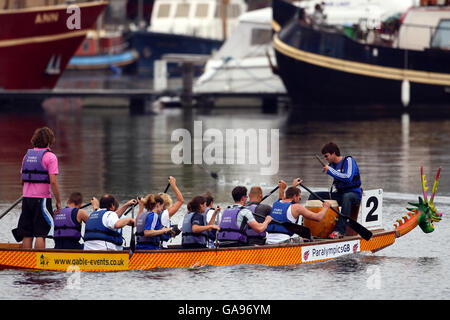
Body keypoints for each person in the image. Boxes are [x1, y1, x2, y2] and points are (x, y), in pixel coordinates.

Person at [17, 126, 62, 249]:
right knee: (40, 233)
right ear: (49, 140)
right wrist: (58, 201)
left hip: (26, 199)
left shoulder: (26, 156)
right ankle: (39, 264)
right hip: (41, 200)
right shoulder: (50, 157)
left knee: (27, 233)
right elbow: (53, 182)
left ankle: (26, 263)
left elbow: (22, 180)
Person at [309, 142, 362, 239]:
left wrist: (330, 170)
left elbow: (348, 177)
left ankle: (339, 231)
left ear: (333, 153)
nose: (325, 159)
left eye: (326, 156)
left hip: (354, 195)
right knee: (314, 195)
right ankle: (310, 227)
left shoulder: (348, 160)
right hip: (340, 194)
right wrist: (330, 169)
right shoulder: (332, 164)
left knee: (347, 197)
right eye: (324, 157)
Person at [266, 182, 330, 244]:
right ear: (295, 196)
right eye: (299, 198)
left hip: (268, 240)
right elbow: (318, 218)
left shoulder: (276, 203)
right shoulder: (297, 207)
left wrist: (293, 186)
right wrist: (325, 208)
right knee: (306, 239)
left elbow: (286, 196)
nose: (299, 200)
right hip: (284, 241)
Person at [158, 176, 184, 248]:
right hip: (162, 247)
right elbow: (181, 200)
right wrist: (173, 185)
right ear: (166, 203)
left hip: (153, 245)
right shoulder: (166, 213)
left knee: (174, 227)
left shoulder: (150, 211)